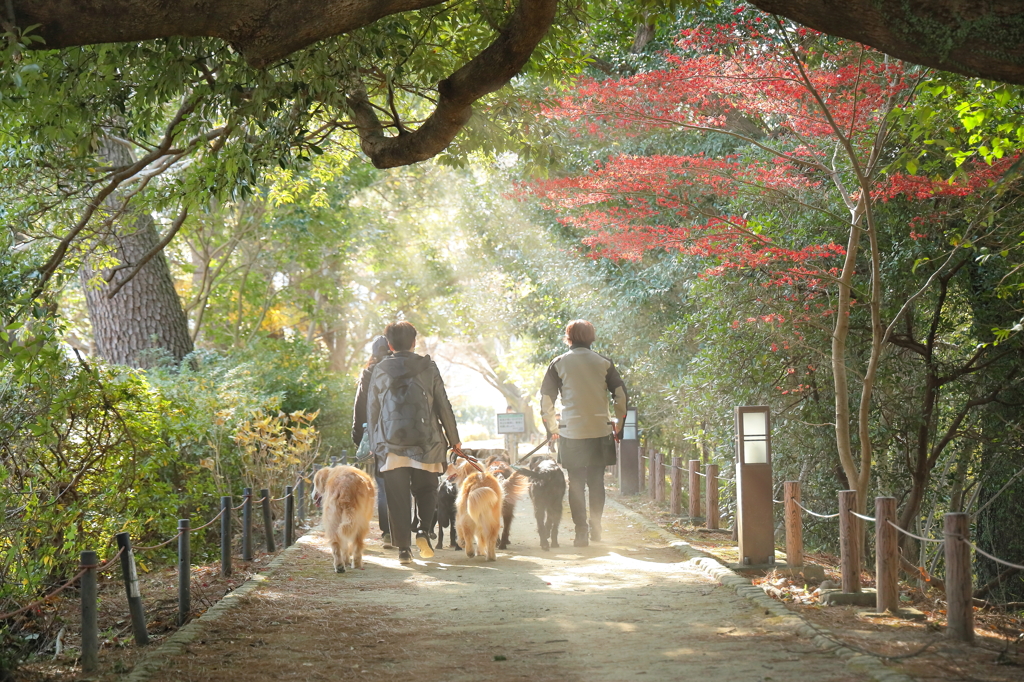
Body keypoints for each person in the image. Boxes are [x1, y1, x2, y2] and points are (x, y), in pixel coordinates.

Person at [367, 321, 461, 564]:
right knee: (427, 490)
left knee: (397, 496)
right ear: (414, 342)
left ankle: (403, 550)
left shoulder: (379, 369)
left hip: (391, 444)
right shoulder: (428, 367)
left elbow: (373, 410)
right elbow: (443, 405)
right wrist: (454, 440)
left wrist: (374, 445)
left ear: (389, 344)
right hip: (427, 442)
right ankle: (422, 531)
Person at [540, 319, 627, 547]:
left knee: (576, 482)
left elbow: (546, 399)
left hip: (571, 432)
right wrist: (619, 425)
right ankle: (596, 526)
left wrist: (551, 429)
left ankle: (581, 532)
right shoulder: (603, 363)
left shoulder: (558, 363)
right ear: (592, 337)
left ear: (568, 337)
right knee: (596, 481)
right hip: (600, 429)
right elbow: (620, 395)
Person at [352, 335, 392, 547]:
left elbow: (359, 409)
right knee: (403, 483)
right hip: (403, 435)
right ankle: (402, 530)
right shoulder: (400, 369)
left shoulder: (368, 373)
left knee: (384, 485)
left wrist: (358, 438)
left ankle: (388, 533)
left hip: (378, 437)